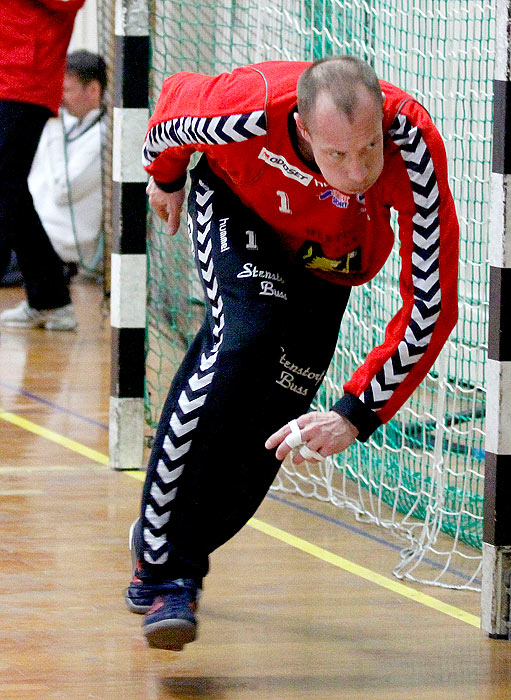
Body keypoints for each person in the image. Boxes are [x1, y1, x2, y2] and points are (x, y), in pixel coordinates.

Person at [125, 55, 459, 651]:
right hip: (237, 208)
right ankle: (164, 568)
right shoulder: (247, 109)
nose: (357, 172)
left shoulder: (413, 146)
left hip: (326, 265)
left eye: (367, 150)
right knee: (246, 337)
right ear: (303, 130)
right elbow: (173, 110)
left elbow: (431, 305)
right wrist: (168, 174)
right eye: (337, 155)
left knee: (277, 433)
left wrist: (356, 413)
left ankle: (180, 548)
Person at [0, 0, 86, 331]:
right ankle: (50, 297)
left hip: (23, 80)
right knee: (12, 191)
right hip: (10, 74)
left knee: (4, 188)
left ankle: (50, 297)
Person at [28, 50, 107, 280]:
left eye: (67, 90)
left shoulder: (102, 138)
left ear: (93, 90)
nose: (60, 97)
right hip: (37, 237)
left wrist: (53, 127)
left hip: (58, 249)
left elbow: (63, 190)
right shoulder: (73, 126)